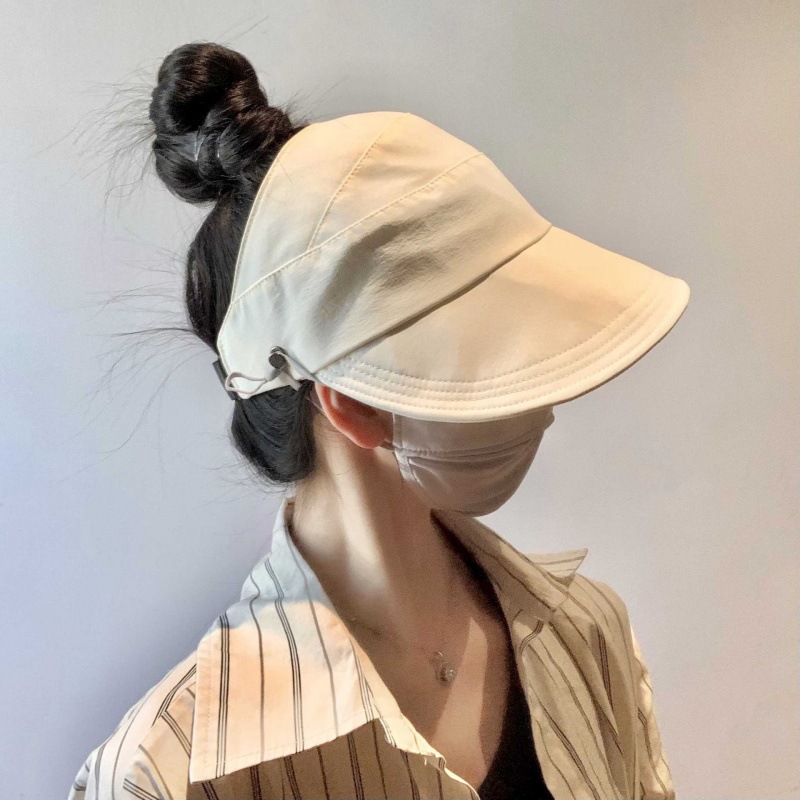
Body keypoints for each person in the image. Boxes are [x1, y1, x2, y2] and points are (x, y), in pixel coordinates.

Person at [68, 42, 689, 800]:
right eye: (491, 351)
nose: (542, 398)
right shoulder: (171, 775)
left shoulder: (589, 636)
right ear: (352, 401)